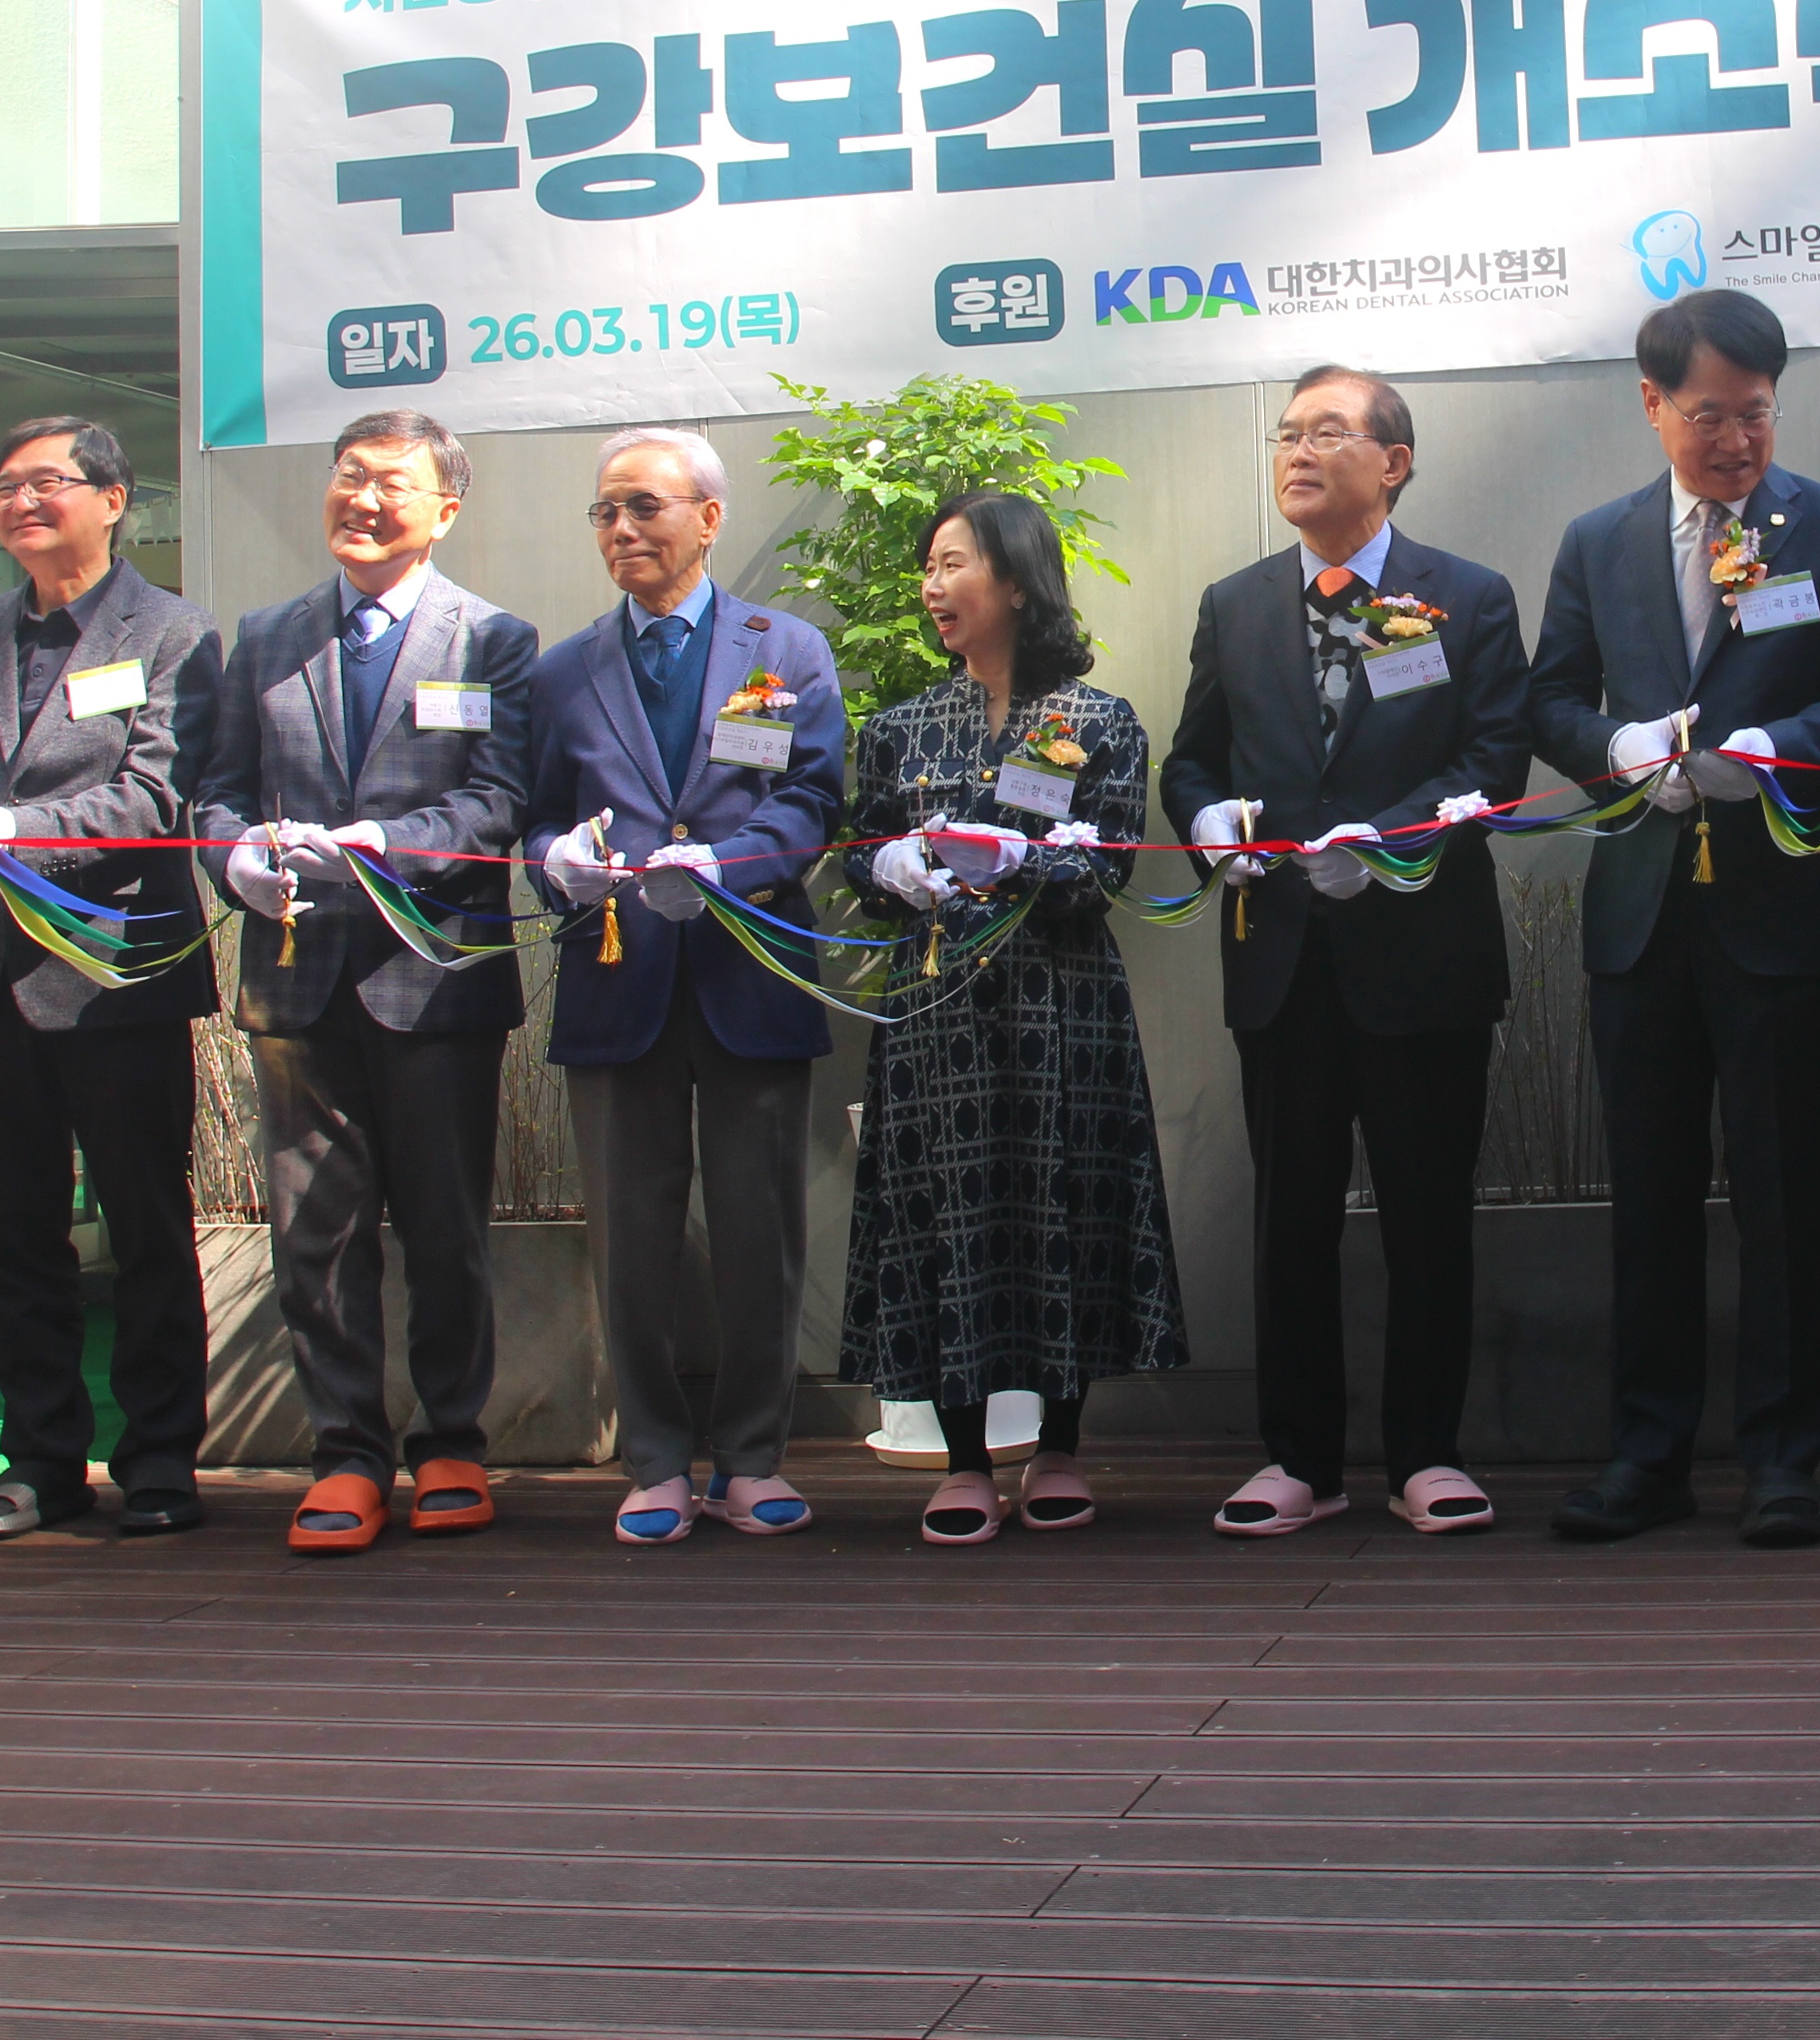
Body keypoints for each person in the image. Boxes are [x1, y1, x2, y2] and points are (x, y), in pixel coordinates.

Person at [1525, 287, 1820, 1549]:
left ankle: (1787, 1457)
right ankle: (1648, 1453)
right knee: (1648, 1192)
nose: (1737, 440)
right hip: (1641, 911)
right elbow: (1550, 701)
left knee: (1784, 1190)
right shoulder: (1598, 540)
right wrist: (1615, 749)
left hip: (1778, 906)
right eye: (1709, 416)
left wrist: (1774, 749)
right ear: (1652, 405)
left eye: (1757, 413)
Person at [1162, 365, 1532, 1539]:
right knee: (1291, 1221)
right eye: (1287, 435)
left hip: (1423, 954)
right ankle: (1300, 1462)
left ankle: (1427, 1455)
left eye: (1328, 433)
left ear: (1395, 462)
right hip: (1281, 957)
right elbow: (1193, 758)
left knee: (1428, 1214)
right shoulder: (1235, 604)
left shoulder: (1466, 596)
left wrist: (1390, 842)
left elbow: (1496, 759)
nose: (1298, 452)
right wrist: (1207, 822)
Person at [191, 410, 537, 1556]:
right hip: (296, 978)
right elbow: (218, 791)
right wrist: (233, 858)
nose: (365, 500)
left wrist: (387, 846)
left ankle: (450, 1443)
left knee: (445, 1227)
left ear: (446, 510)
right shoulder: (266, 636)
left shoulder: (492, 640)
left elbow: (498, 800)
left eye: (393, 483)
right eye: (350, 477)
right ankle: (345, 1455)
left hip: (431, 980)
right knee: (315, 1231)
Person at [0, 417, 225, 1544]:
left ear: (114, 499)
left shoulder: (172, 630)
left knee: (146, 1228)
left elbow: (156, 799)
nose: (22, 503)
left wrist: (16, 830)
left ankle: (162, 1458)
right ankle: (39, 1460)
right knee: (15, 1237)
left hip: (116, 974)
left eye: (47, 482)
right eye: (4, 487)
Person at [839, 491, 1186, 1546]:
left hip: (1060, 1003)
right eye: (928, 568)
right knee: (945, 1210)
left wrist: (1021, 860)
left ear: (1020, 582)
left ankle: (1061, 1447)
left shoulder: (1097, 721)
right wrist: (891, 868)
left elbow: (1107, 865)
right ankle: (962, 1461)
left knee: (1060, 1203)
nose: (933, 587)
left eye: (953, 564)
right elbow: (858, 855)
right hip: (935, 1008)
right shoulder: (899, 729)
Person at [522, 426, 847, 1548]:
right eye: (606, 511)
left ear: (708, 519)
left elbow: (812, 797)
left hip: (748, 971)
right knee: (629, 1239)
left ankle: (753, 1457)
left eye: (644, 507)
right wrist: (555, 862)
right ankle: (656, 1462)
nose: (622, 529)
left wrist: (728, 864)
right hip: (617, 980)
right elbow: (536, 819)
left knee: (761, 1234)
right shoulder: (562, 670)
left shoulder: (785, 648)